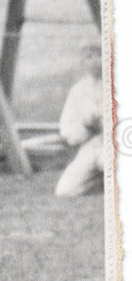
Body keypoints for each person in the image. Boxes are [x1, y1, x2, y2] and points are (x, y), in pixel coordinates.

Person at [55, 38, 104, 197]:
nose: (95, 61)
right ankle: (100, 182)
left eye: (101, 55)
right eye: (89, 57)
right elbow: (68, 128)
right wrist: (87, 127)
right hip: (92, 145)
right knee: (65, 190)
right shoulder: (78, 90)